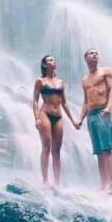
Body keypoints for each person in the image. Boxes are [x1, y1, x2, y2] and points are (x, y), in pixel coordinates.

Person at [33, 55, 79, 187]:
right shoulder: (40, 81)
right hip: (45, 114)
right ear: (45, 65)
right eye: (50, 60)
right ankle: (45, 180)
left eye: (54, 60)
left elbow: (64, 103)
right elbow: (35, 100)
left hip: (58, 116)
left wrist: (73, 121)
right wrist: (36, 118)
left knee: (57, 151)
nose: (53, 62)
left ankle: (57, 182)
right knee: (46, 147)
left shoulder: (60, 83)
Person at [79, 48, 112, 192]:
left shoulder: (105, 72)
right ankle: (103, 184)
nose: (94, 55)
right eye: (91, 53)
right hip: (91, 115)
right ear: (86, 58)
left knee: (107, 149)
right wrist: (80, 119)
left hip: (103, 112)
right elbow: (85, 101)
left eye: (96, 53)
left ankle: (110, 184)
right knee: (99, 151)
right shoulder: (85, 80)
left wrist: (109, 107)